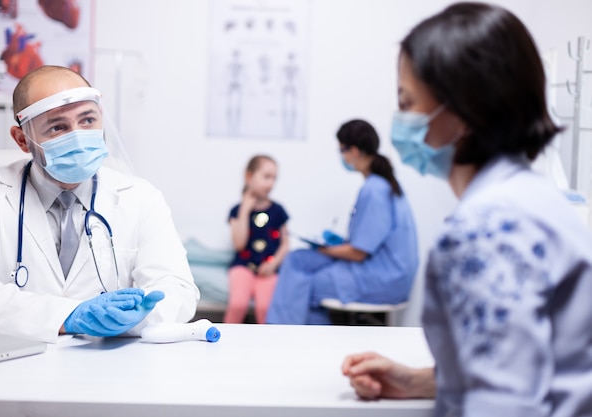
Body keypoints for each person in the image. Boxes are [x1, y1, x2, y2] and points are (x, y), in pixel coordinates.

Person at [342, 3, 592, 416]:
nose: (400, 119)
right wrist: (423, 381)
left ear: (463, 111)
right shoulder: (537, 200)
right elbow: (529, 367)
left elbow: (504, 406)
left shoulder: (484, 230)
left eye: (407, 101)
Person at [0, 65, 199, 343]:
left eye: (87, 121)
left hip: (110, 368)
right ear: (22, 140)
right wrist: (68, 315)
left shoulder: (141, 197)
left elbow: (177, 288)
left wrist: (139, 315)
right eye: (57, 127)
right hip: (11, 366)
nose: (77, 135)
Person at [266, 119, 419, 325]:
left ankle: (293, 341)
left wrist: (322, 250)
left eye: (342, 151)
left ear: (354, 151)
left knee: (304, 287)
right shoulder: (381, 184)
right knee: (297, 259)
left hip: (382, 278)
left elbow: (358, 252)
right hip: (381, 269)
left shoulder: (374, 190)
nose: (342, 157)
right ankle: (285, 333)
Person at [223, 155, 289, 324]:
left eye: (274, 178)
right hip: (242, 267)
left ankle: (267, 345)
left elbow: (285, 244)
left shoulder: (278, 211)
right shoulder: (237, 210)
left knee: (264, 308)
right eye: (266, 177)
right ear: (249, 176)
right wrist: (245, 210)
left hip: (268, 269)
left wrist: (274, 263)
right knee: (237, 304)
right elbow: (239, 244)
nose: (271, 183)